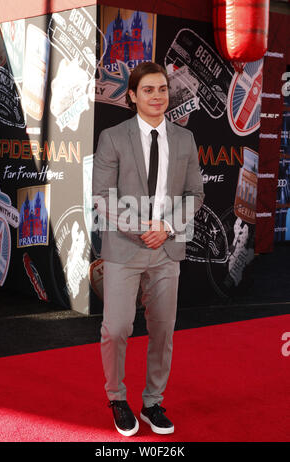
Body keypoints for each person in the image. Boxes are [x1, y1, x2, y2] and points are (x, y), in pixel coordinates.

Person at [92, 62, 204, 436]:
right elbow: (103, 198)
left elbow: (196, 194)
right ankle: (117, 397)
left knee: (163, 331)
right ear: (132, 96)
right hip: (124, 247)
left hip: (167, 248)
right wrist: (143, 229)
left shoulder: (185, 140)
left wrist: (167, 228)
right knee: (117, 327)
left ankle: (153, 402)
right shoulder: (113, 137)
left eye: (162, 90)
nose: (158, 96)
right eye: (149, 90)